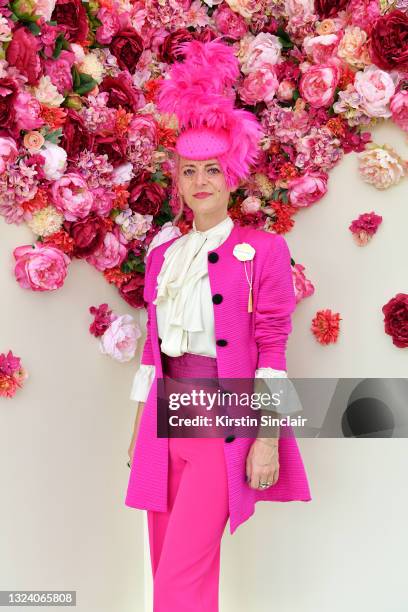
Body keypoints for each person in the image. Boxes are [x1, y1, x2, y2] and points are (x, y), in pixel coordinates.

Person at [125, 38, 311, 612]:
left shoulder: (265, 250)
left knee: (180, 574)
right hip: (163, 416)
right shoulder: (162, 255)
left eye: (212, 169)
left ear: (231, 176)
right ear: (177, 181)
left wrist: (269, 439)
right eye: (189, 171)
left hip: (222, 417)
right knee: (167, 569)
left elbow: (273, 352)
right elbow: (152, 359)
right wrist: (137, 432)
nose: (200, 181)